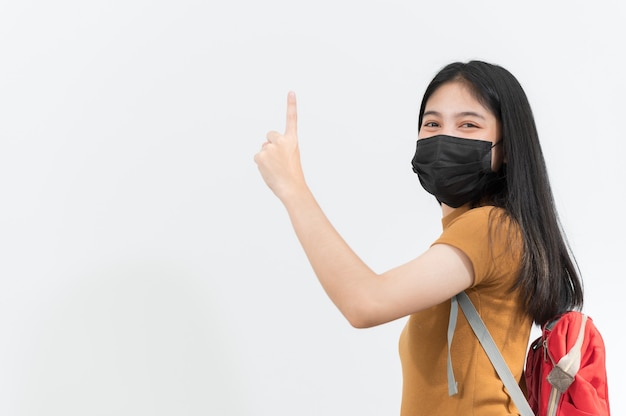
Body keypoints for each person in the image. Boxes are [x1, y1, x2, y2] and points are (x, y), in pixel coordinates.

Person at [253, 60, 584, 415]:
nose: (444, 137)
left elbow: (365, 302)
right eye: (432, 123)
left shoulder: (491, 229)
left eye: (468, 124)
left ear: (506, 148)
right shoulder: (482, 232)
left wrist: (293, 188)